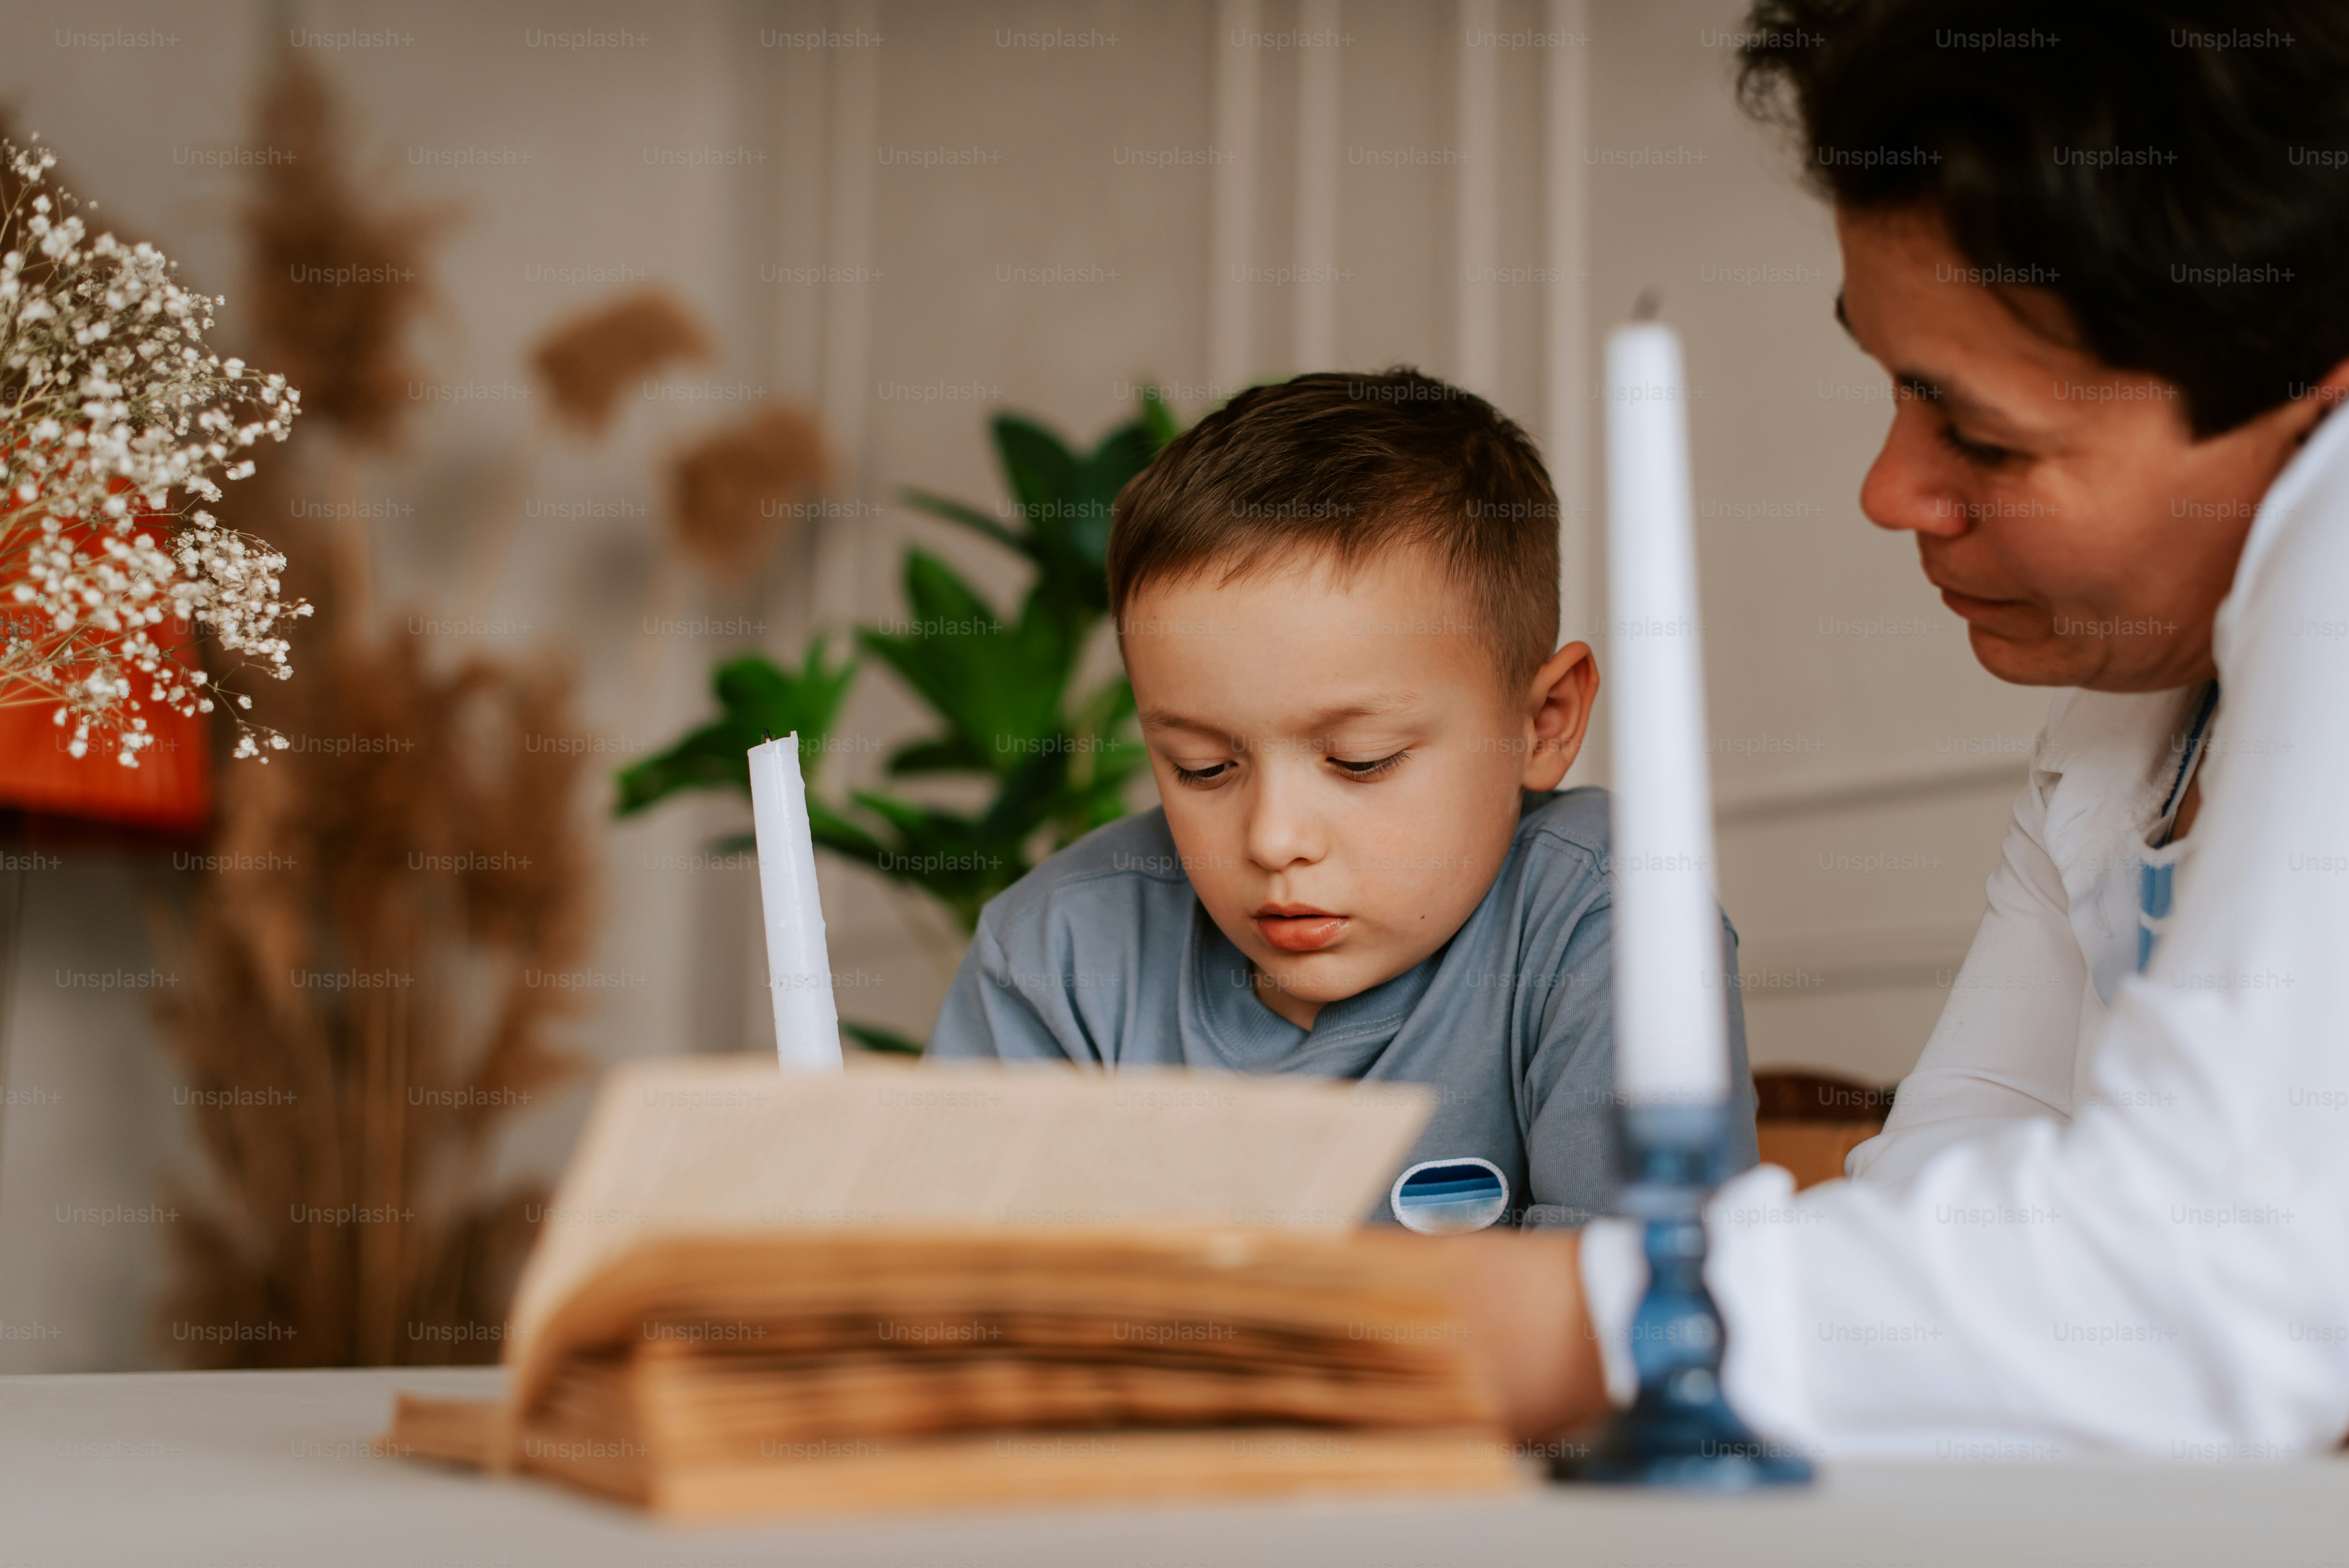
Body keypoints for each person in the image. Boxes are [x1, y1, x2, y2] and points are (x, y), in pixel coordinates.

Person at [1457, 0, 2349, 1455]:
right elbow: (1953, 1178)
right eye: (1891, 390)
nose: (1888, 491)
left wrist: (1546, 1324)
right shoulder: (2120, 728)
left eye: (1982, 437)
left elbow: (2214, 1271)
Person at [926, 368, 1759, 1232]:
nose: (1273, 839)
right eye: (1203, 766)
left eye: (1361, 761)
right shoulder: (1056, 955)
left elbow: (1626, 1323)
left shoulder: (1609, 920)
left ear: (1542, 721)